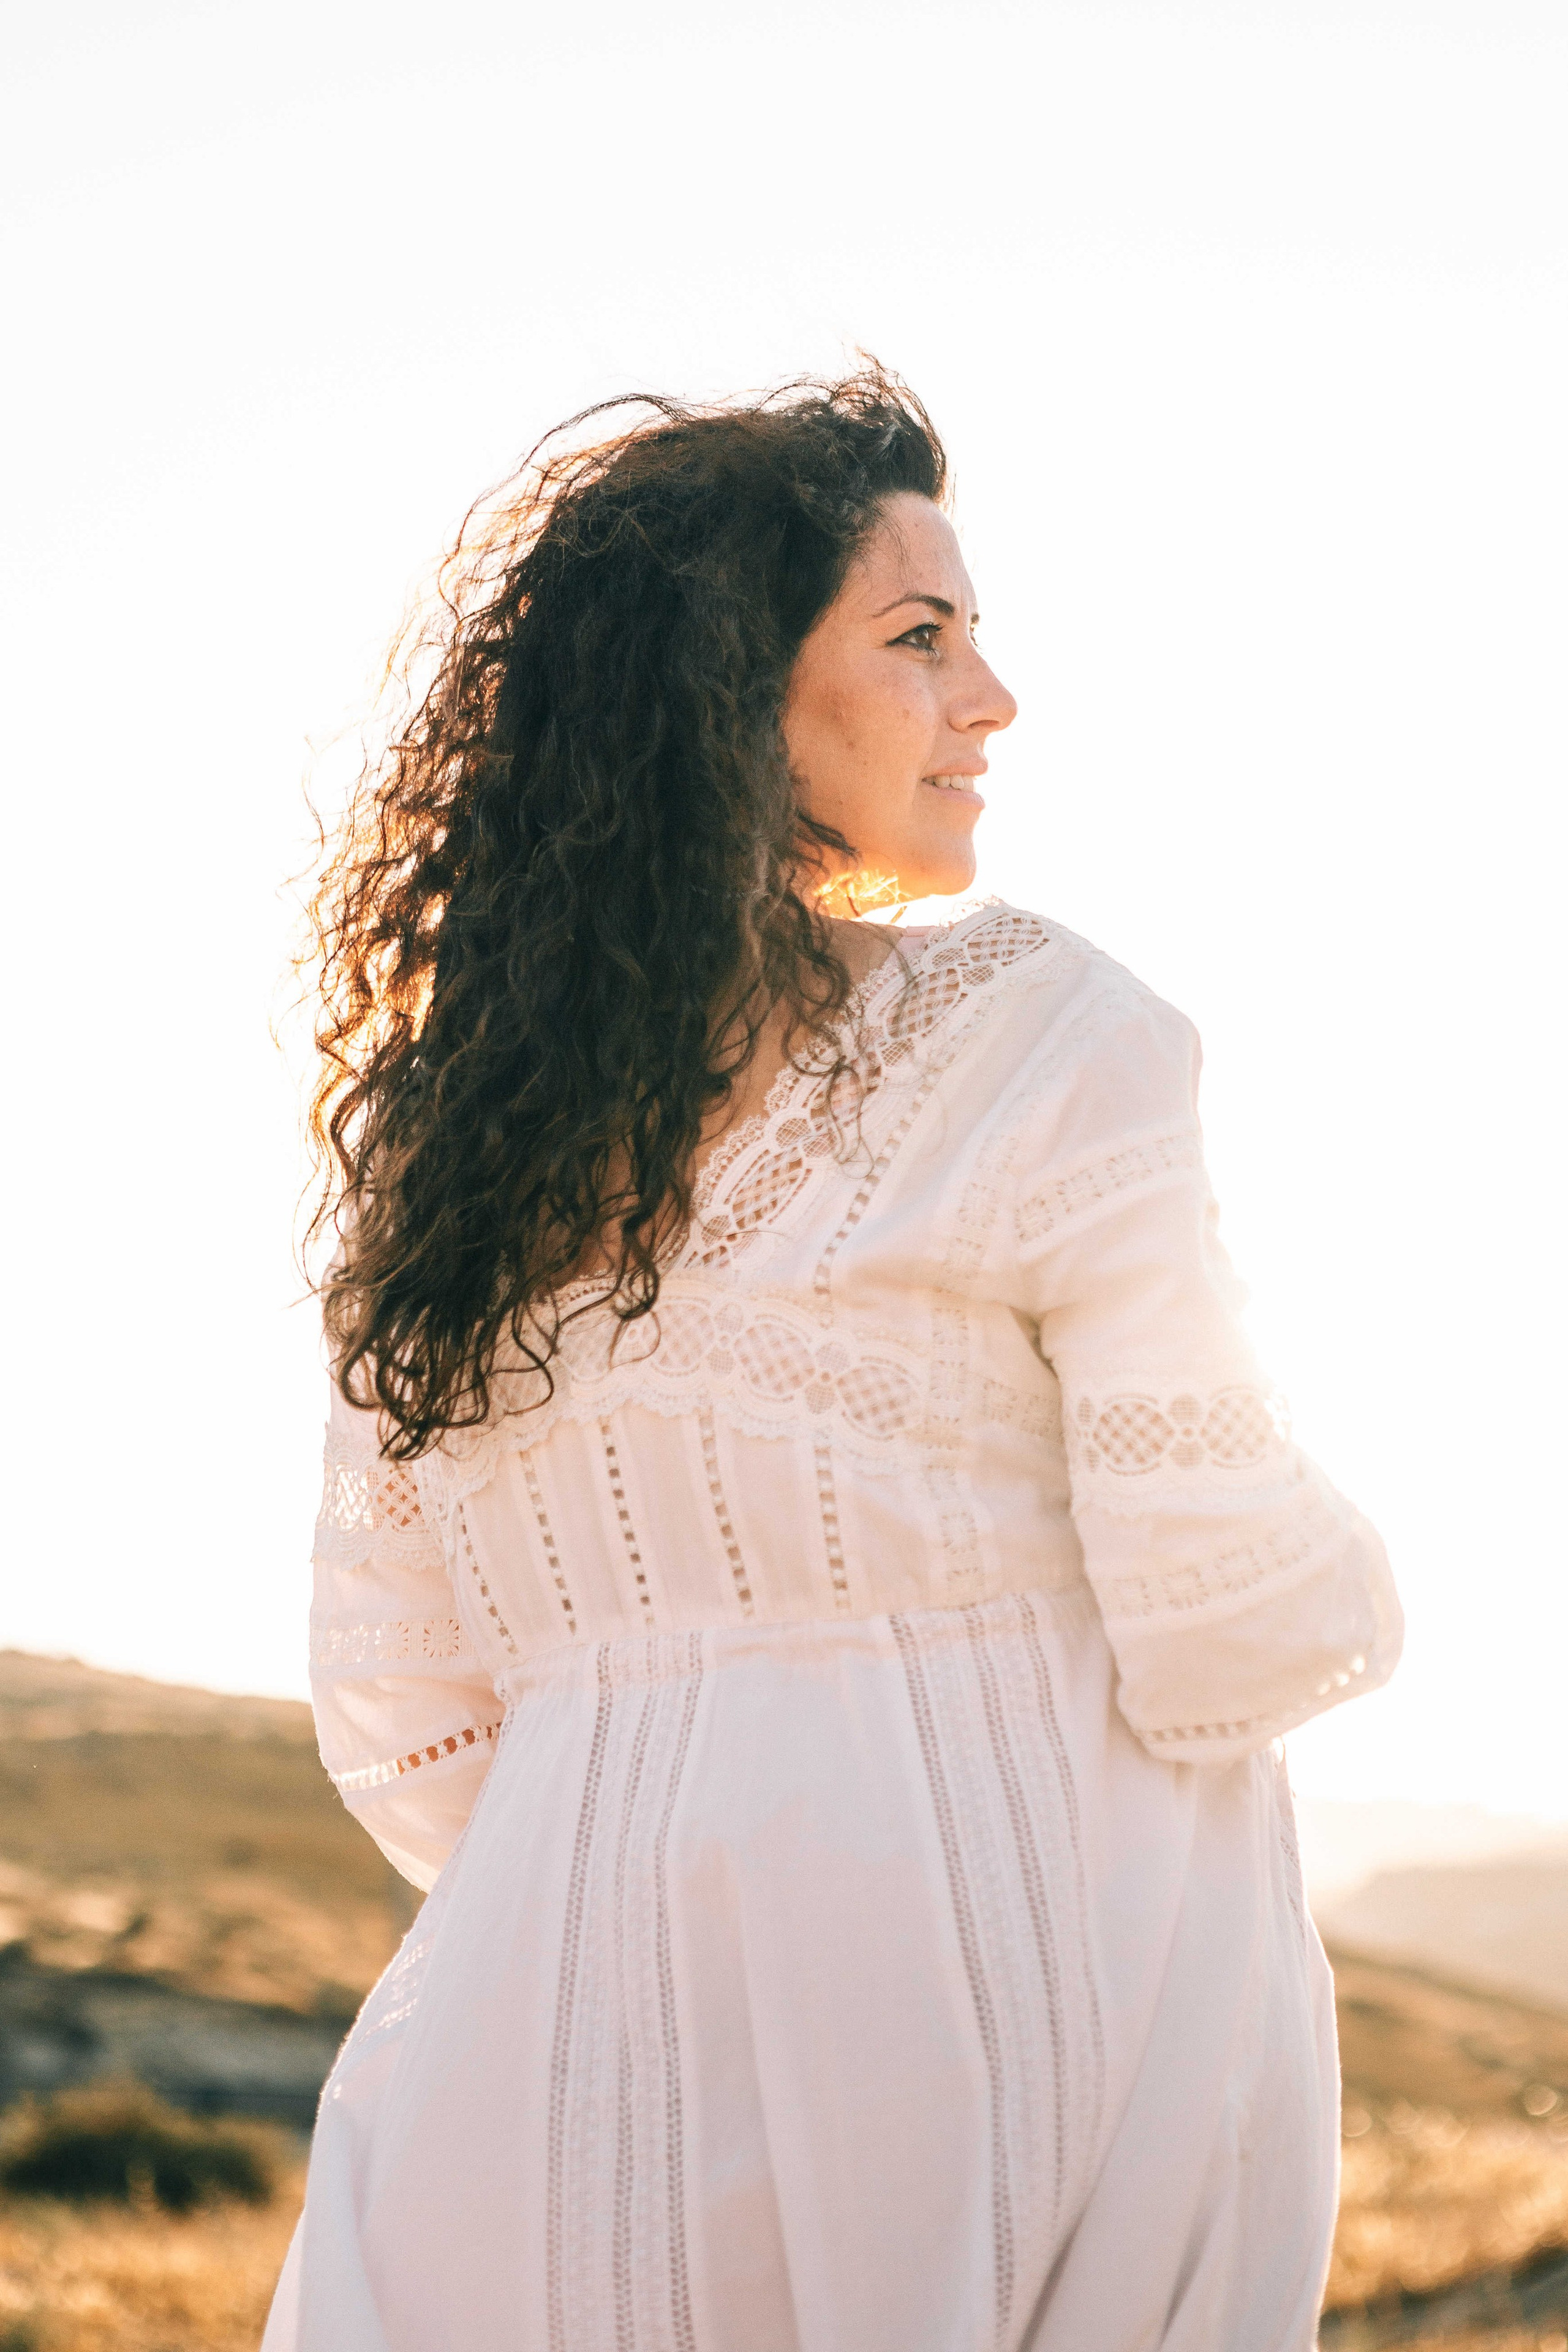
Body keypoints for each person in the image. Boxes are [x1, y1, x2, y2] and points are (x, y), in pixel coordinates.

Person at [264, 367, 1400, 2352]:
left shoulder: (446, 1156)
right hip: (1013, 2030)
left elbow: (410, 1699)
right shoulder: (1042, 1034)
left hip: (544, 2037)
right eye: (920, 636)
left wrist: (671, 1807)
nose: (993, 698)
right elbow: (1220, 1621)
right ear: (727, 698)